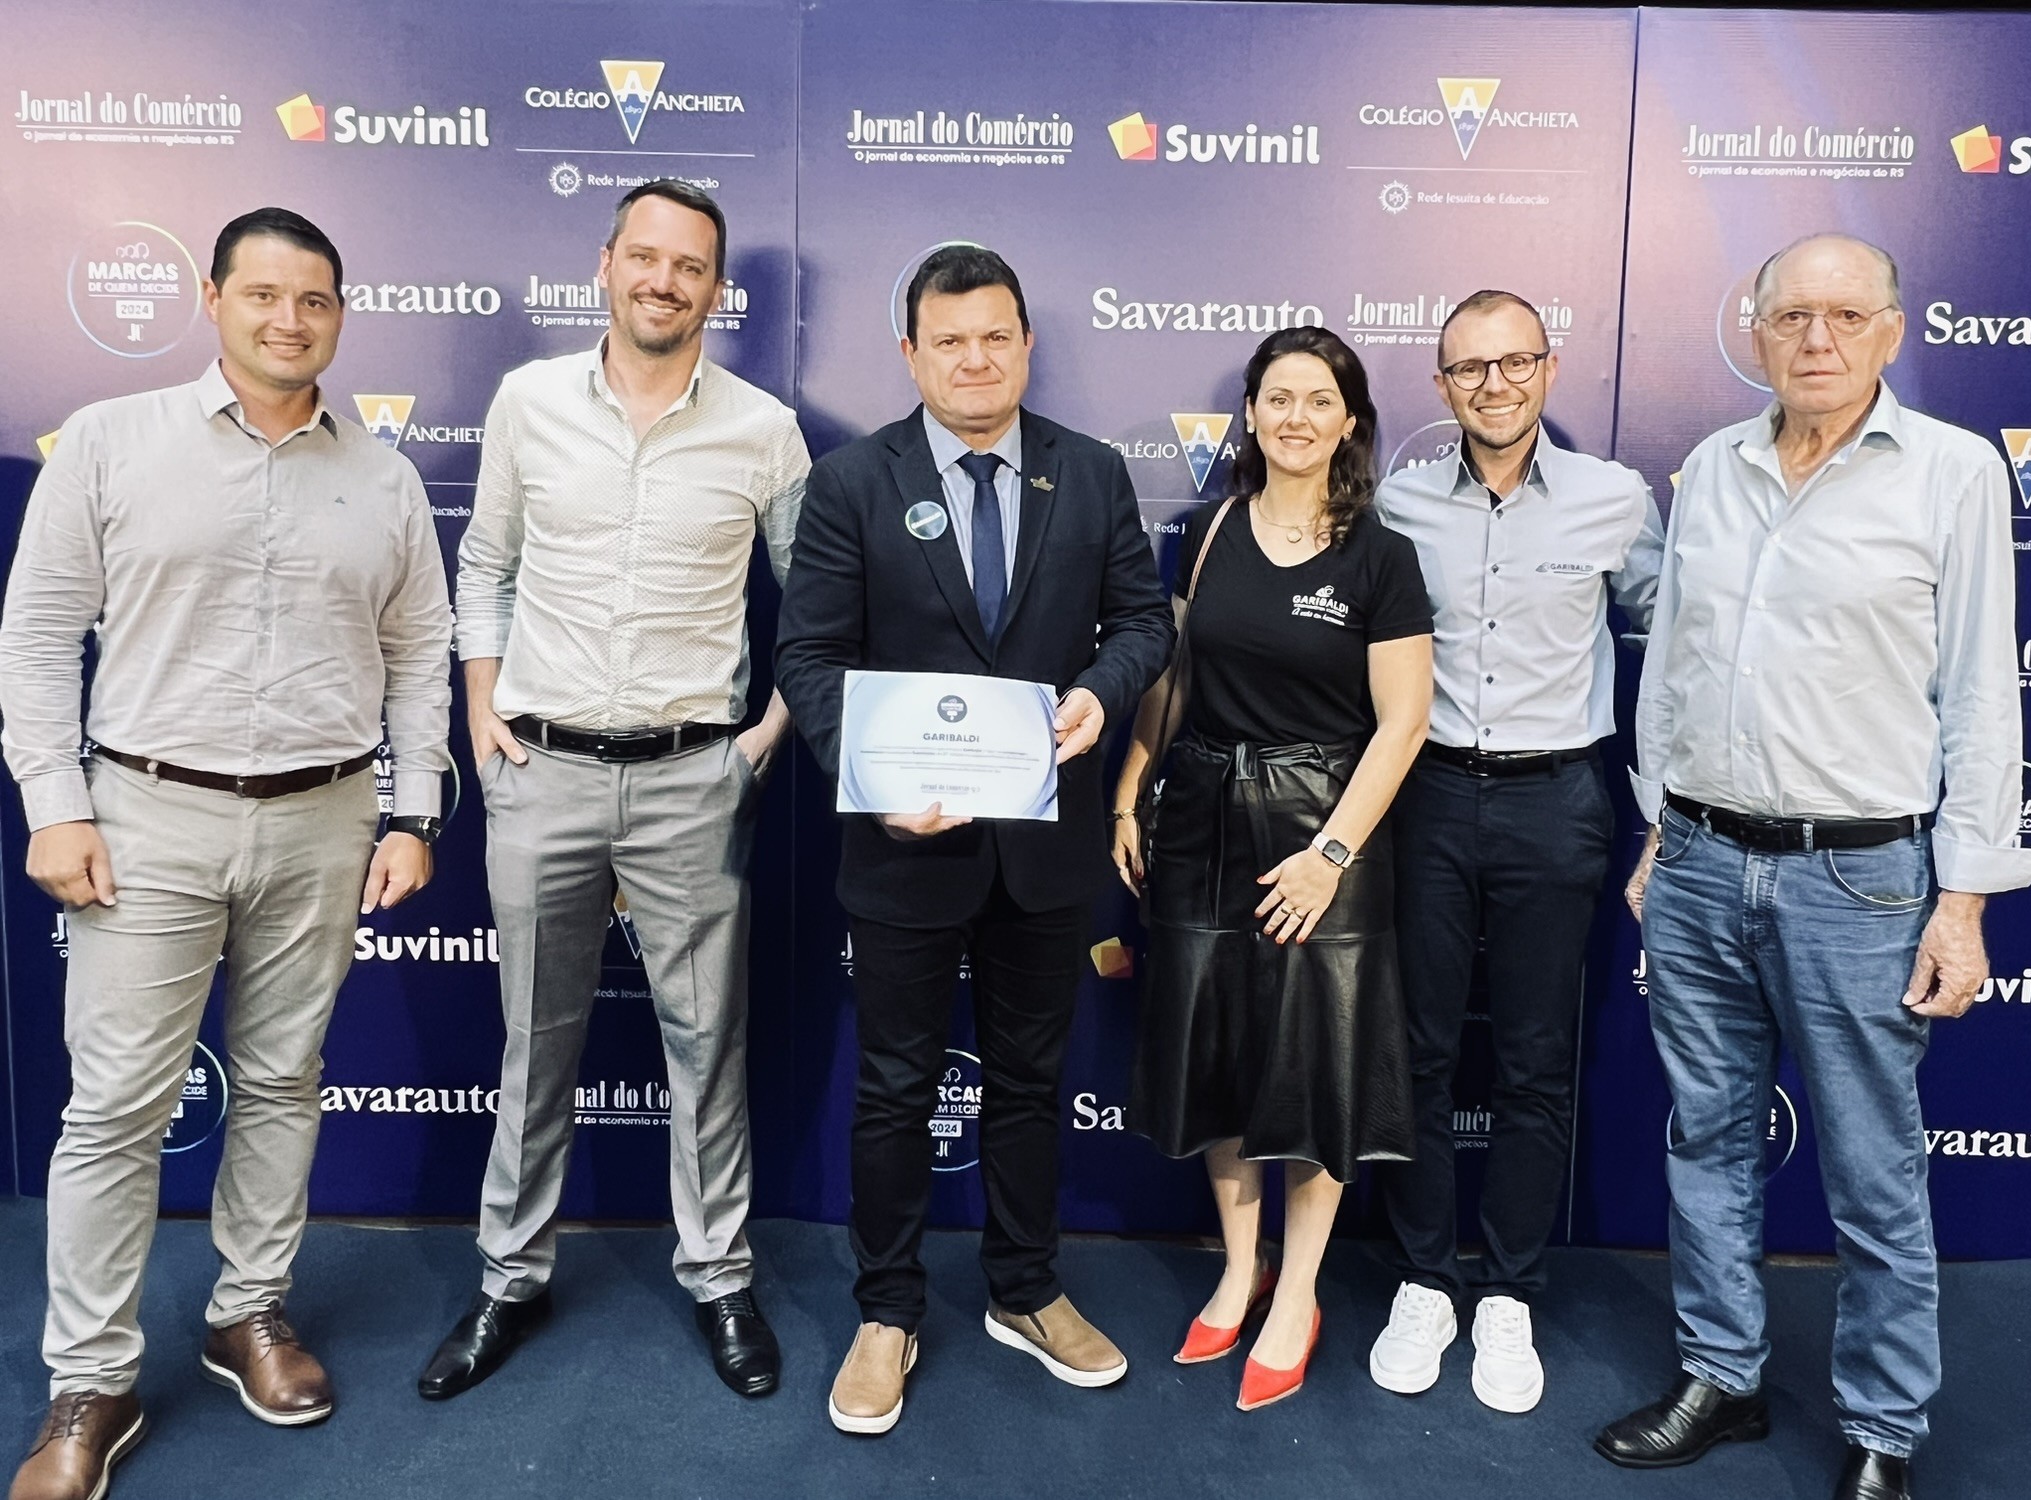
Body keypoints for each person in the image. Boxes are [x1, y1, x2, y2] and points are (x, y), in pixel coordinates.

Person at [0, 208, 451, 1500]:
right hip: (146, 815)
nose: (287, 320)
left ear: (340, 316)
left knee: (282, 1080)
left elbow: (421, 654)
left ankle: (245, 1312)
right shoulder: (110, 441)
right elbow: (37, 634)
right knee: (114, 1110)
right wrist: (54, 802)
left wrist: (413, 811)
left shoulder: (383, 478)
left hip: (324, 817)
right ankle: (92, 1379)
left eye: (313, 300)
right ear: (212, 300)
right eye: (262, 294)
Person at [1597, 234, 2031, 1500]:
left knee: (1871, 1169)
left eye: (1848, 315)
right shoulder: (1713, 470)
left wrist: (1964, 899)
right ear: (1754, 328)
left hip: (1860, 882)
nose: (1818, 338)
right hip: (1697, 862)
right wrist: (1657, 827)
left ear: (1894, 330)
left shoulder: (1953, 473)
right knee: (1708, 1140)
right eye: (1792, 315)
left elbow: (1982, 698)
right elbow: (1676, 664)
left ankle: (1883, 1431)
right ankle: (1721, 1377)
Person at [417, 180, 809, 1403]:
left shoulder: (765, 431)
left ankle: (720, 1276)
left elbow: (818, 610)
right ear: (606, 264)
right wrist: (481, 710)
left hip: (697, 778)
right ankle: (509, 1278)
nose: (664, 281)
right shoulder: (528, 403)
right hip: (541, 771)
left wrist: (759, 743)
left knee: (708, 1049)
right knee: (534, 1044)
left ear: (716, 289)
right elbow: (484, 565)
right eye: (645, 257)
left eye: (689, 266)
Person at [774, 245, 1173, 1435]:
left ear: (1026, 343)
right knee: (895, 1088)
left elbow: (1142, 623)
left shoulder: (1090, 473)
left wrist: (1100, 693)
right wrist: (873, 775)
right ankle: (887, 1311)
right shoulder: (852, 483)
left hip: (1044, 850)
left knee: (1031, 1082)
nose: (976, 359)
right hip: (904, 845)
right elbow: (808, 657)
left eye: (996, 336)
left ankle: (1025, 1288)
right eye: (950, 341)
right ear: (911, 354)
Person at [1113, 326, 1434, 1411]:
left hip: (1322, 825)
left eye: (1319, 399)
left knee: (1313, 1064)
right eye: (1278, 397)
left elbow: (1403, 723)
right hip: (1203, 816)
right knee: (1217, 1056)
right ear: (1250, 414)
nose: (1297, 417)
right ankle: (1239, 1268)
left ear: (1350, 421)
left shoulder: (1381, 556)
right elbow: (1171, 679)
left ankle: (1298, 1292)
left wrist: (1330, 855)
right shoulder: (1206, 533)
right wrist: (1129, 790)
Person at [1368, 291, 1662, 1413]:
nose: (1494, 385)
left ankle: (1509, 1293)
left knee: (1537, 1060)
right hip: (1427, 796)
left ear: (1549, 366)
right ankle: (1425, 1281)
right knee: (1418, 1050)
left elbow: (1680, 640)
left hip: (1558, 800)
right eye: (1470, 368)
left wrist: (1663, 808)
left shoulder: (1614, 498)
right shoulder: (1398, 502)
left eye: (1515, 362)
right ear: (1442, 385)